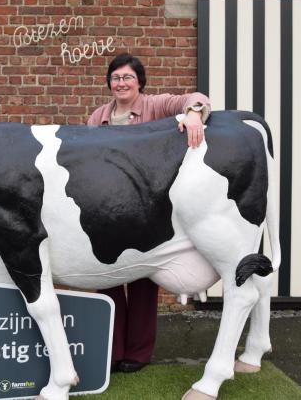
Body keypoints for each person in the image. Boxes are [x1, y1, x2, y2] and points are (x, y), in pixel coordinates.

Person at [87, 53, 211, 373]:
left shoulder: (155, 105)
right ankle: (111, 351)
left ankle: (138, 354)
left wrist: (194, 115)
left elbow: (194, 98)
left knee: (143, 278)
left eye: (127, 77)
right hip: (109, 209)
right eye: (115, 78)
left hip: (147, 209)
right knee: (108, 277)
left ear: (139, 81)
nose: (121, 83)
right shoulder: (98, 116)